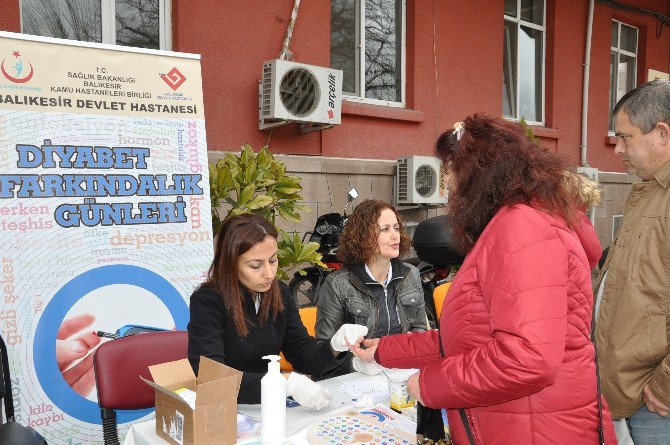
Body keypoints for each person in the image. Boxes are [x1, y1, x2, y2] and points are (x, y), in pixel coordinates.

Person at [350, 114, 617, 444]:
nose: (446, 185)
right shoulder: (516, 224)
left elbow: (527, 358)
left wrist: (432, 385)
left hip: (537, 428)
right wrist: (385, 351)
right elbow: (469, 338)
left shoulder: (522, 228)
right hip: (527, 421)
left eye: (449, 171)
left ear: (476, 172)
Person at [188, 213, 366, 408]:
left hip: (270, 405)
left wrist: (334, 348)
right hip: (227, 410)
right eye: (255, 265)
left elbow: (301, 353)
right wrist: (283, 383)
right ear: (230, 264)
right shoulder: (208, 301)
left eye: (273, 261)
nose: (269, 274)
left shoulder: (278, 292)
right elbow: (212, 378)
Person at [594, 79, 670, 444]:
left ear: (662, 133)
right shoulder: (649, 190)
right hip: (631, 395)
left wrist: (666, 384)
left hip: (656, 402)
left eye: (625, 138)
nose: (618, 149)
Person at [314, 199, 427, 378]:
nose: (395, 235)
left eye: (396, 228)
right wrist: (356, 364)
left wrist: (406, 356)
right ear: (364, 236)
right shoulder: (338, 283)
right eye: (385, 229)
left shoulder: (410, 274)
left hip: (401, 373)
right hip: (355, 379)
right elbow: (324, 350)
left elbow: (420, 331)